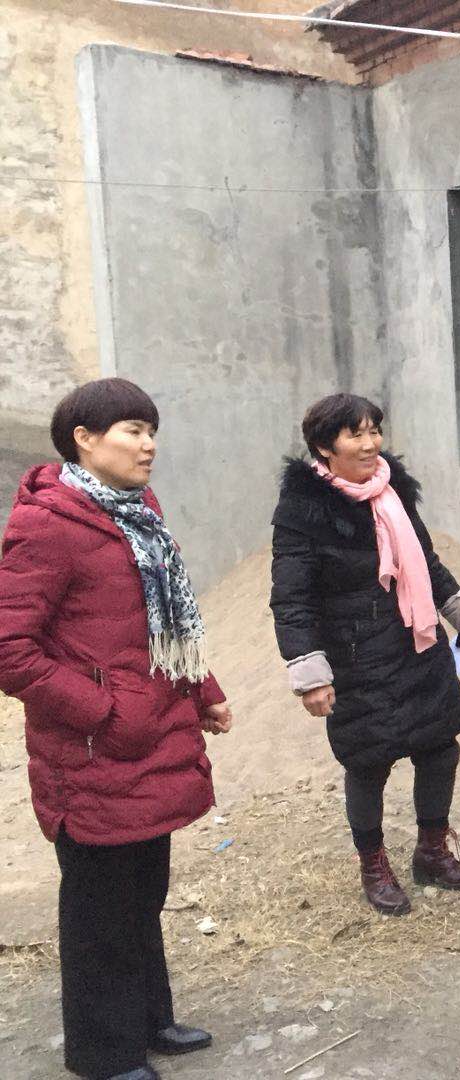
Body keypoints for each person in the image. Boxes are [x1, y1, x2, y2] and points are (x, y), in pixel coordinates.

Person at [0, 378, 232, 1080]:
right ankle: (102, 1054)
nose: (148, 444)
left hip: (152, 738)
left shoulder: (138, 512)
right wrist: (103, 710)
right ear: (84, 439)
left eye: (151, 430)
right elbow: (10, 648)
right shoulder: (47, 524)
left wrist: (202, 692)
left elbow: (161, 624)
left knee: (141, 895)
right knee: (99, 909)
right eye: (133, 430)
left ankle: (147, 1020)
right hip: (92, 753)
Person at [269, 394, 460, 915]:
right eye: (356, 435)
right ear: (324, 447)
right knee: (368, 762)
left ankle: (432, 852)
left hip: (418, 642)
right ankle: (374, 866)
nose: (370, 444)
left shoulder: (393, 490)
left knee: (440, 747)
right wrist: (309, 673)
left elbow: (424, 560)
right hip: (355, 658)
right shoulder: (303, 512)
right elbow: (292, 599)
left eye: (374, 431)